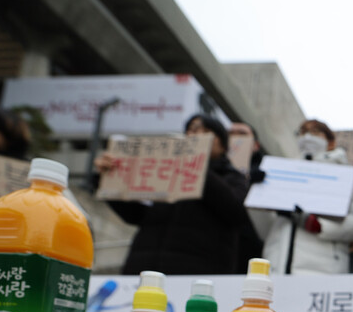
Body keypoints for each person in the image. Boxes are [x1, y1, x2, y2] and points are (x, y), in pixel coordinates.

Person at [95, 114, 261, 275]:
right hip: (144, 271)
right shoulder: (166, 172)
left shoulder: (233, 177)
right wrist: (108, 178)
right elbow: (137, 215)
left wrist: (197, 168)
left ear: (223, 145)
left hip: (197, 275)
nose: (195, 135)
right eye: (191, 130)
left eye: (205, 131)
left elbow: (237, 213)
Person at [262, 119, 353, 274]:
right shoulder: (283, 173)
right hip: (275, 267)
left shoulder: (345, 175)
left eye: (315, 132)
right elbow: (264, 226)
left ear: (331, 142)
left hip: (322, 271)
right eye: (303, 132)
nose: (307, 137)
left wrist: (318, 226)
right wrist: (259, 190)